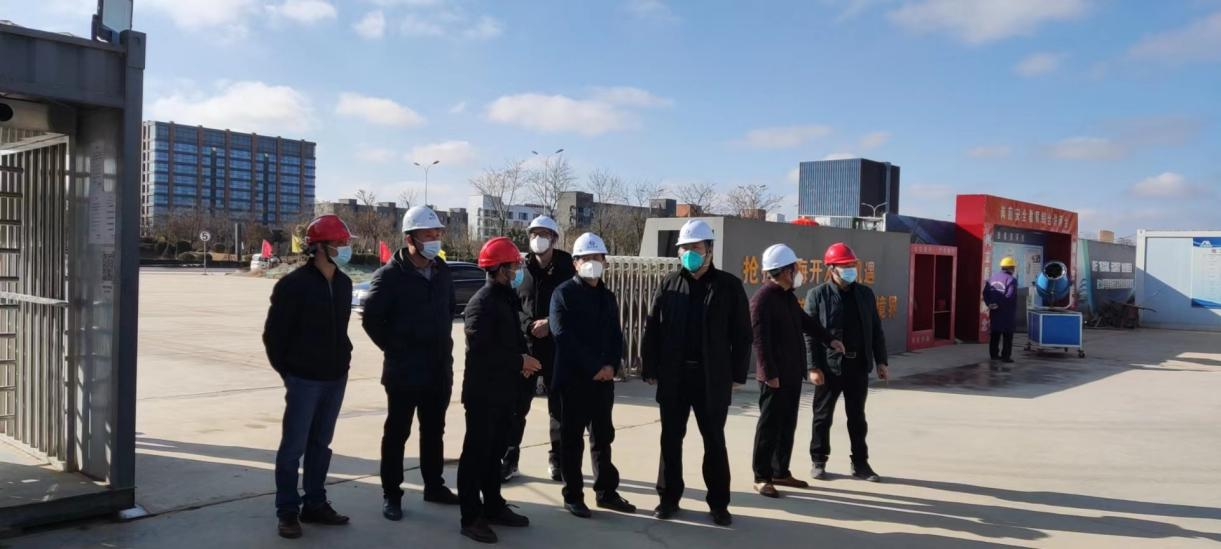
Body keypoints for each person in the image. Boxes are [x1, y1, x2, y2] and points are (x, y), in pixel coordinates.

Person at [641, 219, 751, 527]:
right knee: (670, 439)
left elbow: (742, 334)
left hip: (711, 378)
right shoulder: (668, 283)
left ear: (709, 249)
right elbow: (653, 327)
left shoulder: (728, 286)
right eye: (684, 248)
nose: (689, 253)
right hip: (674, 376)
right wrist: (650, 367)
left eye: (696, 247)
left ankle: (719, 503)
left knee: (714, 441)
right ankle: (668, 498)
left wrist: (737, 375)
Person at [362, 206, 459, 522]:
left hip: (438, 369)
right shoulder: (389, 276)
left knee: (434, 431)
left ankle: (434, 486)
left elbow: (449, 310)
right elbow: (371, 320)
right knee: (397, 434)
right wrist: (396, 348)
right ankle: (392, 494)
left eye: (437, 233)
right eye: (428, 234)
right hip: (404, 371)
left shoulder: (442, 271)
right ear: (410, 238)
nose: (435, 239)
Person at [263, 214, 355, 539]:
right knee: (293, 448)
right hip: (304, 380)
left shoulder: (344, 284)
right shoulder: (293, 285)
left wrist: (344, 359)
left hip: (336, 377)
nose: (345, 248)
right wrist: (290, 373)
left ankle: (315, 503)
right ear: (319, 247)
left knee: (321, 445)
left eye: (346, 243)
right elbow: (274, 337)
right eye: (340, 243)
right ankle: (288, 512)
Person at [458, 236, 540, 544]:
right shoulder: (481, 303)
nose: (517, 271)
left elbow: (513, 340)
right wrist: (519, 360)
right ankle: (471, 516)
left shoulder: (506, 298)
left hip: (505, 392)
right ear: (499, 268)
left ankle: (493, 505)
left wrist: (523, 362)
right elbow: (483, 351)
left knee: (494, 454)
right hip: (483, 394)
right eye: (513, 266)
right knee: (476, 455)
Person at [548, 233, 636, 518]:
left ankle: (606, 492)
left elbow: (616, 335)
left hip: (603, 382)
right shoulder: (563, 294)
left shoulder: (607, 297)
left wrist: (611, 366)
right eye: (585, 258)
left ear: (605, 261)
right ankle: (573, 495)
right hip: (573, 380)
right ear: (575, 263)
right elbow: (562, 335)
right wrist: (593, 367)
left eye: (597, 257)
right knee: (572, 439)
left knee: (603, 437)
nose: (592, 262)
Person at [750, 244, 845, 499]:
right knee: (769, 427)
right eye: (795, 268)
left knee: (787, 425)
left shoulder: (787, 297)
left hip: (792, 373)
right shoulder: (762, 299)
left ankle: (780, 471)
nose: (798, 272)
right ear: (784, 271)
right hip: (774, 377)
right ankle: (761, 477)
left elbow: (806, 322)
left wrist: (829, 339)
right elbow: (759, 341)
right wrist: (769, 374)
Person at [804, 242, 889, 483]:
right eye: (845, 265)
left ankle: (860, 463)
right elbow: (809, 335)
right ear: (831, 268)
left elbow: (876, 330)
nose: (850, 269)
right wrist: (813, 367)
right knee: (822, 417)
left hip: (858, 366)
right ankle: (818, 460)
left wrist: (881, 361)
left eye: (852, 264)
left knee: (857, 417)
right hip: (828, 368)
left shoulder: (865, 294)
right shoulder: (817, 295)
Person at [502, 215, 575, 482]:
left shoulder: (569, 269)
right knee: (516, 407)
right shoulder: (520, 269)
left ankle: (558, 460)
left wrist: (551, 324)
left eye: (543, 234)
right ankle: (509, 459)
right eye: (533, 234)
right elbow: (512, 305)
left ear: (554, 239)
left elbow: (576, 307)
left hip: (558, 350)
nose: (537, 239)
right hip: (528, 349)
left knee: (560, 410)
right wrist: (529, 325)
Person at [984, 256, 1019, 364]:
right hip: (1006, 312)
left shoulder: (992, 278)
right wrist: (999, 304)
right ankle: (1006, 356)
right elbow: (1009, 295)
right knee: (1007, 335)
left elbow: (985, 293)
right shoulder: (1011, 280)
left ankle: (994, 355)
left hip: (994, 311)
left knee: (995, 333)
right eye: (1013, 267)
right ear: (1011, 268)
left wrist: (990, 304)